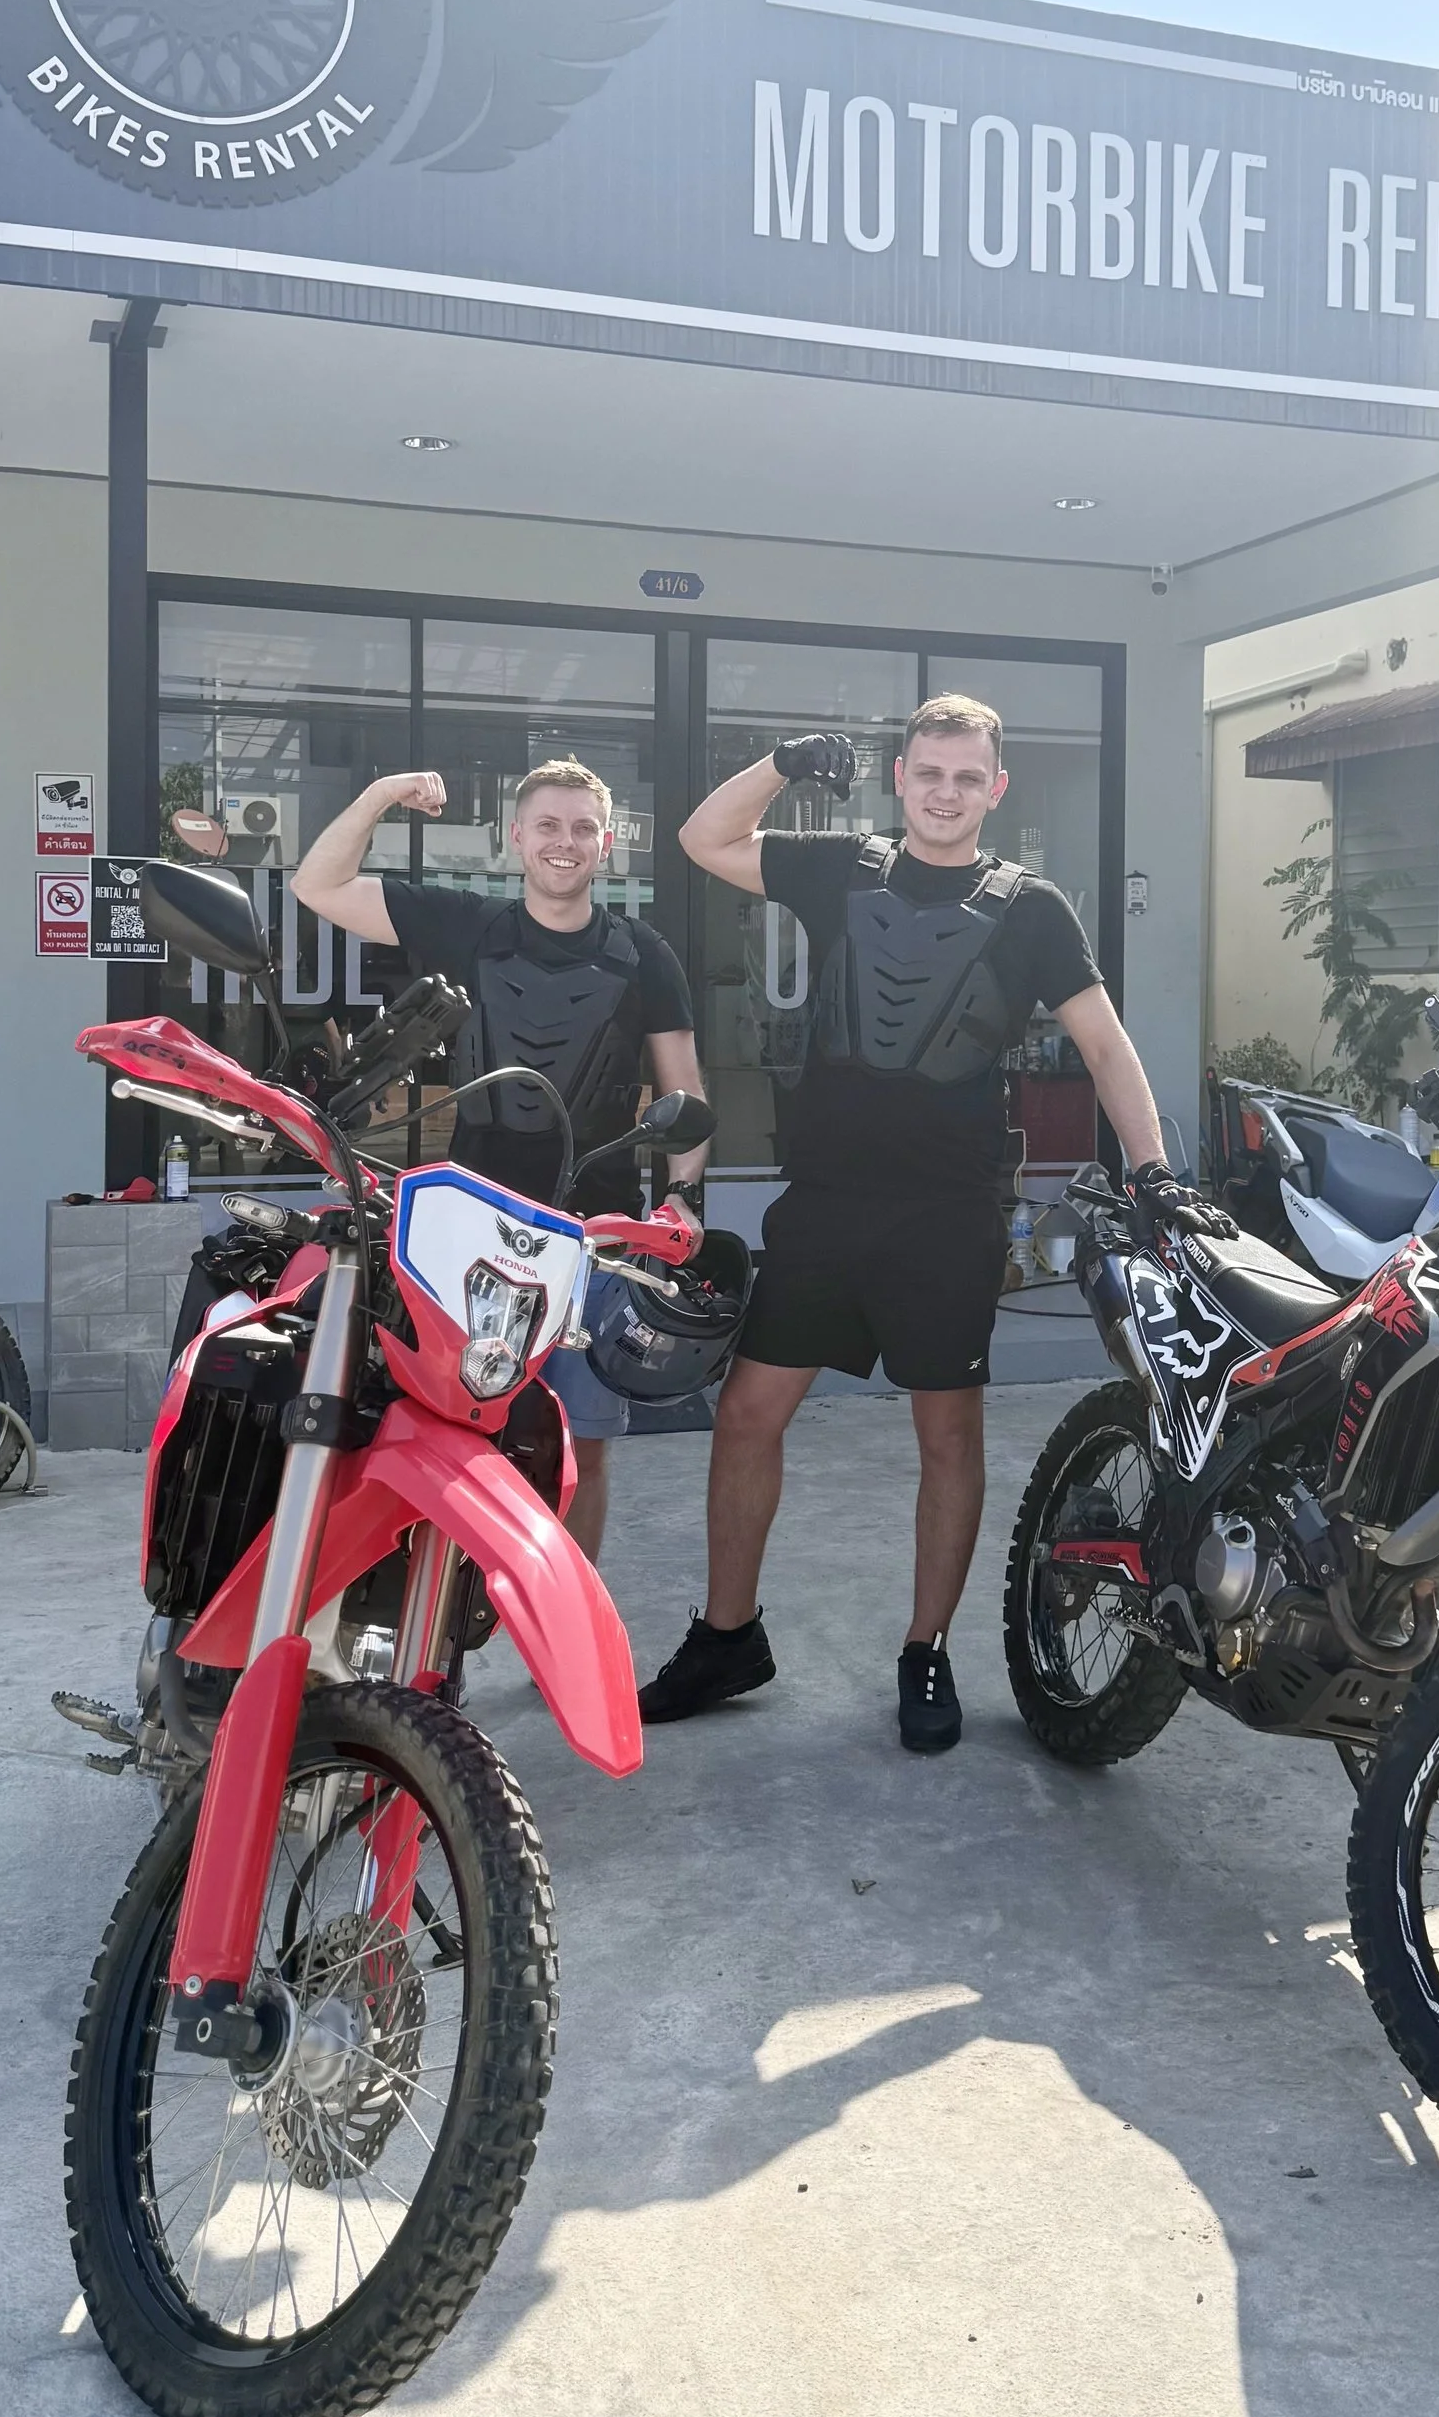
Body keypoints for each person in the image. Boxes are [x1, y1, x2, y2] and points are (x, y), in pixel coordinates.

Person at [641, 692, 1172, 1754]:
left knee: (947, 1435)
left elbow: (1107, 1050)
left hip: (947, 1213)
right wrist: (784, 763)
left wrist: (1155, 1175)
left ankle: (924, 1650)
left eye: (966, 777)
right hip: (828, 1203)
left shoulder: (1032, 911)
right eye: (928, 773)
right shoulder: (844, 867)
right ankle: (727, 1633)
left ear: (996, 789)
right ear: (901, 778)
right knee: (746, 1415)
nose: (944, 793)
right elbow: (704, 839)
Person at [292, 759, 707, 1560]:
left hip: (593, 1238)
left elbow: (683, 1091)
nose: (565, 841)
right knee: (454, 1442)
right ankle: (443, 1636)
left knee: (579, 1450)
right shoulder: (464, 924)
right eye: (548, 825)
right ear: (514, 836)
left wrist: (681, 1200)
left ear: (607, 842)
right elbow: (319, 882)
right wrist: (384, 793)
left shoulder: (643, 953)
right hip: (465, 1233)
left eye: (583, 827)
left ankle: (561, 1613)